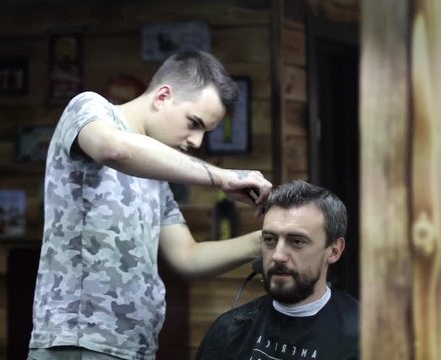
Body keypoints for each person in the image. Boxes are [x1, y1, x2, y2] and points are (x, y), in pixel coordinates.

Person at [27, 50, 273, 360]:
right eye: (193, 123)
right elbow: (112, 148)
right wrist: (222, 177)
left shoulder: (155, 176)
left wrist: (266, 242)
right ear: (163, 97)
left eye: (204, 132)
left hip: (136, 349)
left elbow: (188, 257)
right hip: (79, 344)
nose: (197, 142)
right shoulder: (91, 108)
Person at [195, 180, 359, 360]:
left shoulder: (365, 336)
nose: (278, 256)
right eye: (270, 240)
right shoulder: (230, 331)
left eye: (297, 241)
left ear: (334, 250)